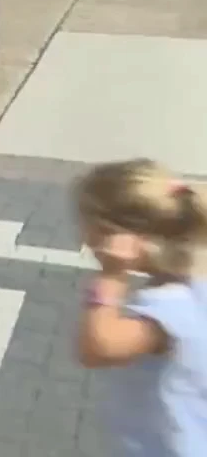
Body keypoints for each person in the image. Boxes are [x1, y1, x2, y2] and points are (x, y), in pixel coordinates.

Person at [72, 159, 207, 455]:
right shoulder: (197, 279)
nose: (84, 239)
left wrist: (111, 274)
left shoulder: (170, 307)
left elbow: (98, 349)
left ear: (114, 235)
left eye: (89, 229)